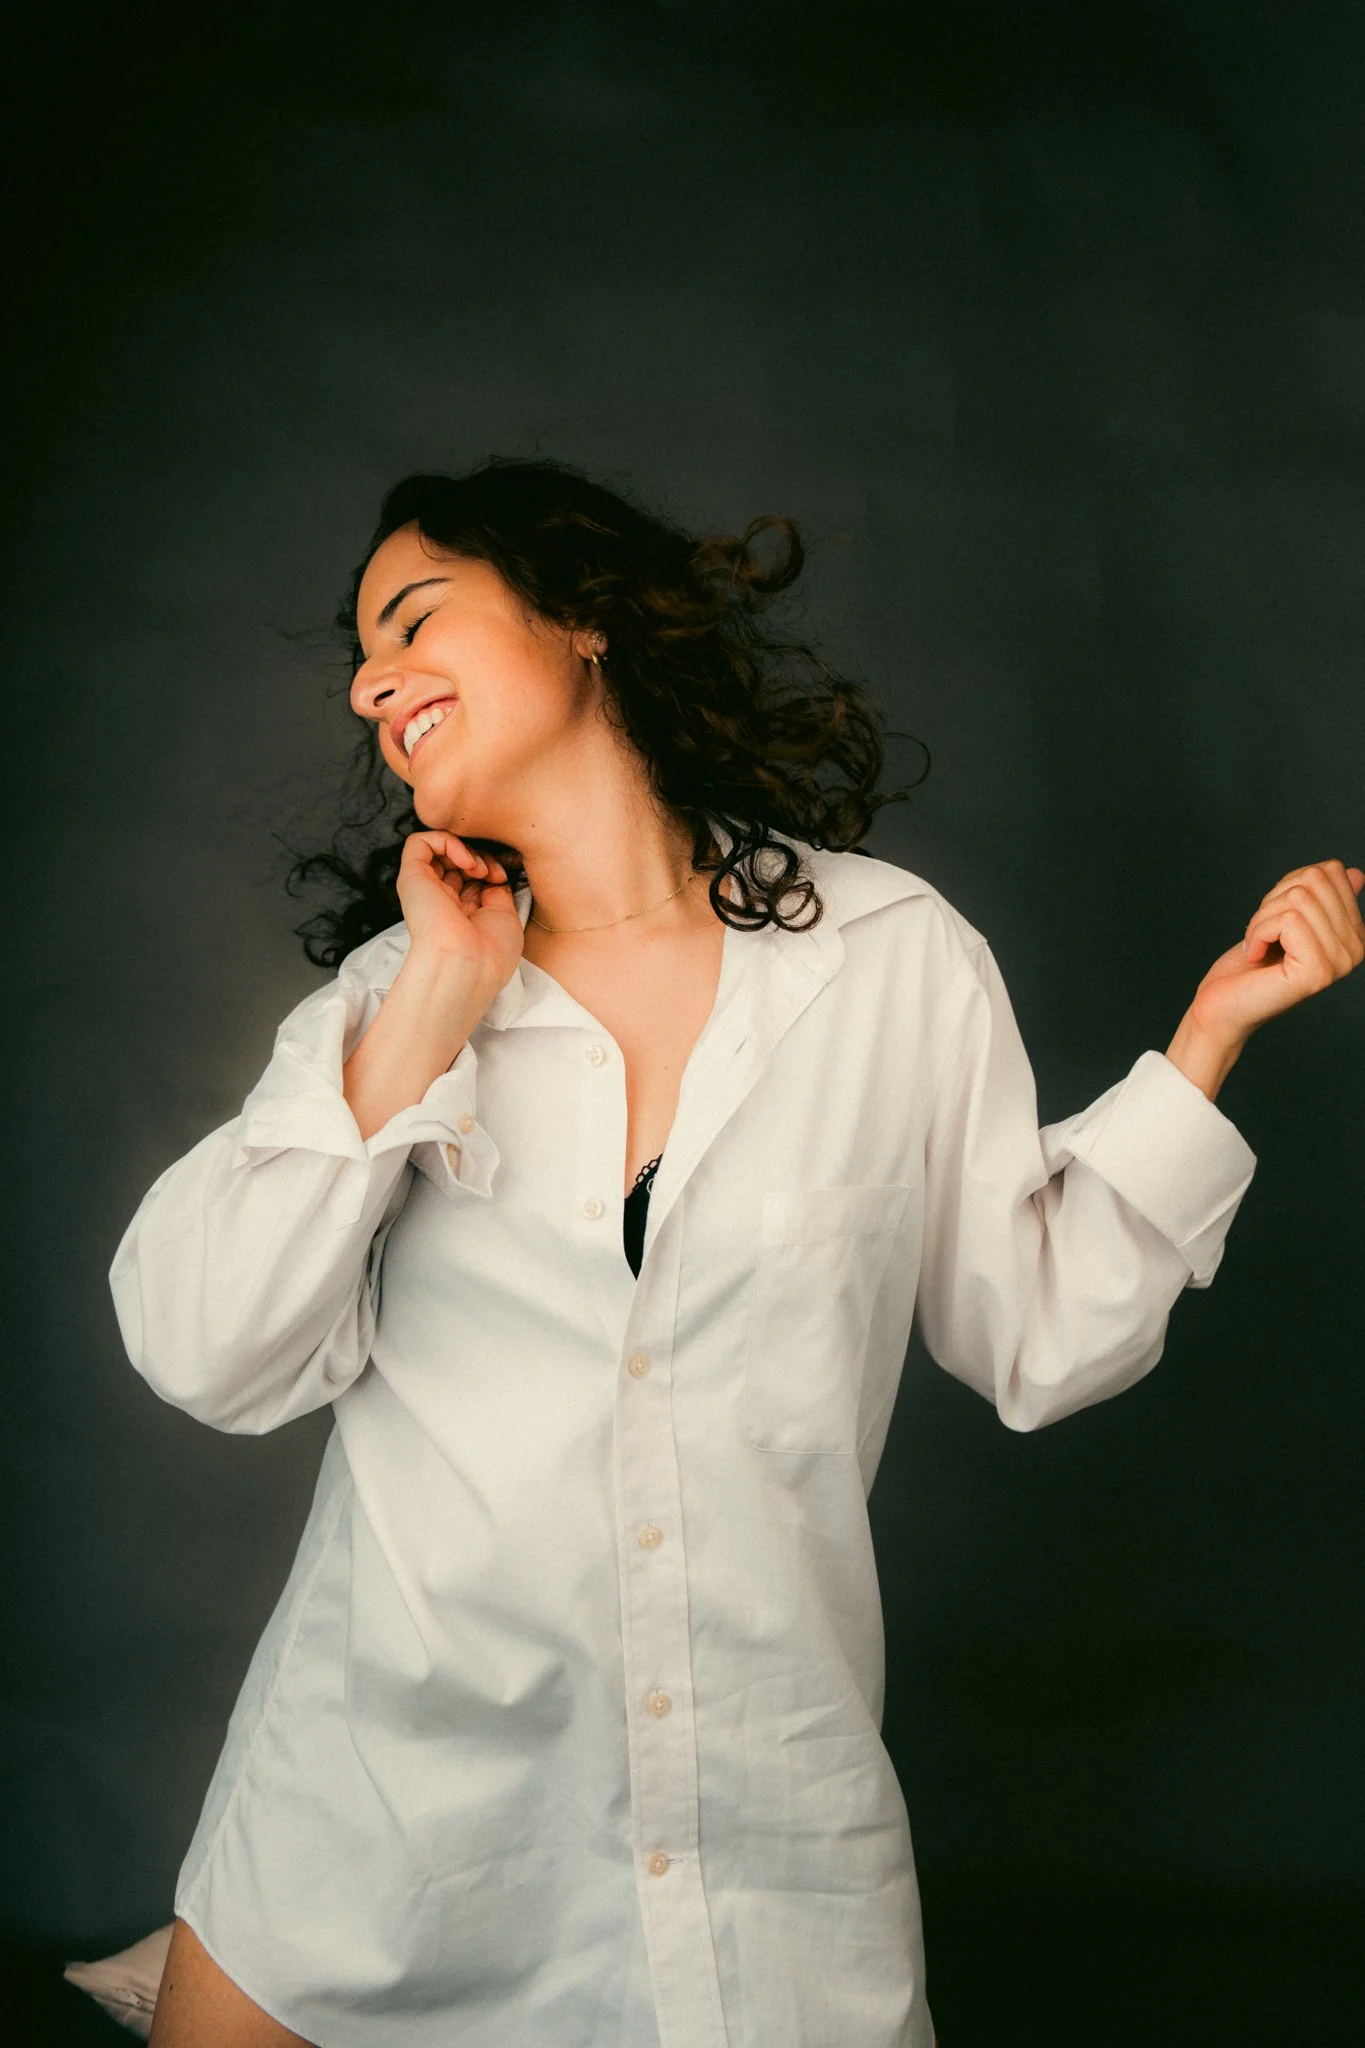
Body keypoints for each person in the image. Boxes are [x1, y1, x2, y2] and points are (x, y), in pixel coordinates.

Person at [109, 458, 1364, 2048]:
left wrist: (1206, 1041)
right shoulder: (386, 999)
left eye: (413, 620)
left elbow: (1038, 1334)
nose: (370, 681)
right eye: (362, 659)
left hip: (757, 1860)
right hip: (371, 1846)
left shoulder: (890, 959)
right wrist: (434, 1002)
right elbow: (205, 1349)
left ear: (581, 620)